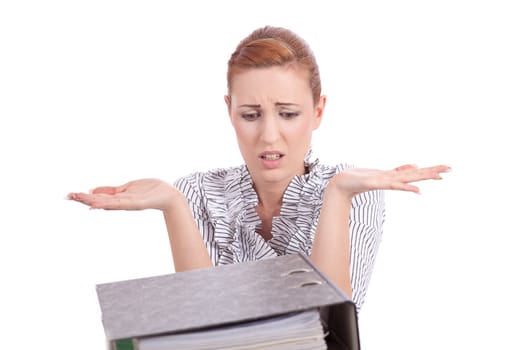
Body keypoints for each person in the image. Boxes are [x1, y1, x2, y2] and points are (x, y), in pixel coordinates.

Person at [67, 25, 450, 312]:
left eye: (287, 114)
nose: (269, 136)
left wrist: (338, 195)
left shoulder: (355, 190)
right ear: (229, 112)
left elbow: (329, 330)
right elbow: (204, 324)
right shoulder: (198, 193)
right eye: (250, 115)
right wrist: (173, 205)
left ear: (317, 112)